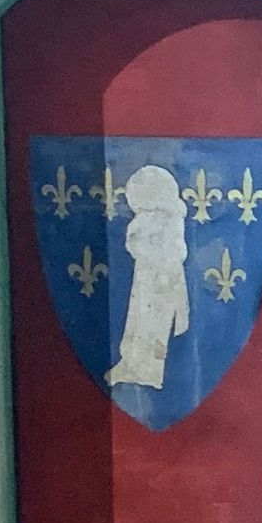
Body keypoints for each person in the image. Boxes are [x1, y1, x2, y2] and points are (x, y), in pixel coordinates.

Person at [109, 164, 194, 397]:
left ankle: (147, 371)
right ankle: (134, 364)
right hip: (148, 276)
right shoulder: (158, 218)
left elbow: (153, 246)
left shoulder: (165, 218)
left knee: (152, 323)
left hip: (160, 280)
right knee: (139, 320)